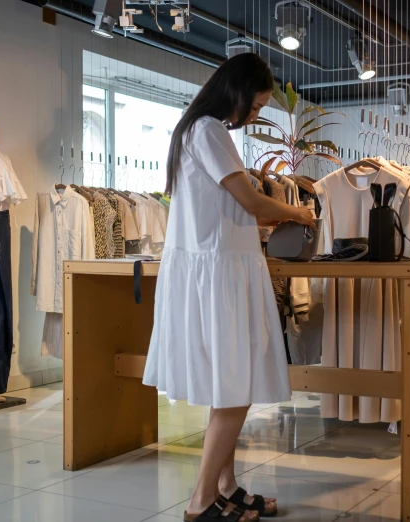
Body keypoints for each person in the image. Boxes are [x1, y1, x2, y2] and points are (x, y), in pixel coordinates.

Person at [142, 53, 314, 522]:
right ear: (236, 92)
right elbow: (249, 201)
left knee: (229, 385)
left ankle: (226, 486)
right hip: (220, 275)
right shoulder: (210, 131)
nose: (254, 116)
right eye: (256, 106)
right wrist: (297, 212)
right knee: (236, 389)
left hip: (219, 270)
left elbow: (227, 208)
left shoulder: (197, 131)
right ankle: (200, 501)